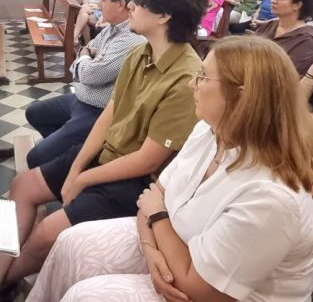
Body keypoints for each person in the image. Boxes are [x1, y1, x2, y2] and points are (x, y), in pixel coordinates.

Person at [28, 36, 313, 302]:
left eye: (203, 76)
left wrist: (158, 215)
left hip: (207, 290)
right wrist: (149, 247)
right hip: (170, 243)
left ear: (242, 98)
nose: (192, 84)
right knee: (72, 243)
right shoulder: (208, 132)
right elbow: (153, 196)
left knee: (86, 295)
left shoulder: (271, 196)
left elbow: (201, 289)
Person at [0, 0, 207, 300]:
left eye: (139, 2)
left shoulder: (185, 77)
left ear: (164, 15)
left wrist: (83, 179)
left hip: (135, 181)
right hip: (107, 154)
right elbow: (109, 113)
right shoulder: (141, 52)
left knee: (48, 232)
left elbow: (148, 159)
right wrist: (77, 167)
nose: (130, 6)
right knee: (23, 185)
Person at [25, 0, 146, 169]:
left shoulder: (132, 39)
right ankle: (69, 155)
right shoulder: (111, 28)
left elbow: (92, 74)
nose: (99, 4)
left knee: (34, 158)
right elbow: (84, 53)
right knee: (34, 113)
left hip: (97, 110)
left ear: (120, 4)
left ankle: (74, 158)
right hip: (81, 97)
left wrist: (86, 58)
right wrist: (86, 56)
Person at [254, 0, 313, 77]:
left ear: (297, 5)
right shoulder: (269, 26)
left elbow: (286, 78)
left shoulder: (305, 41)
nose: (273, 0)